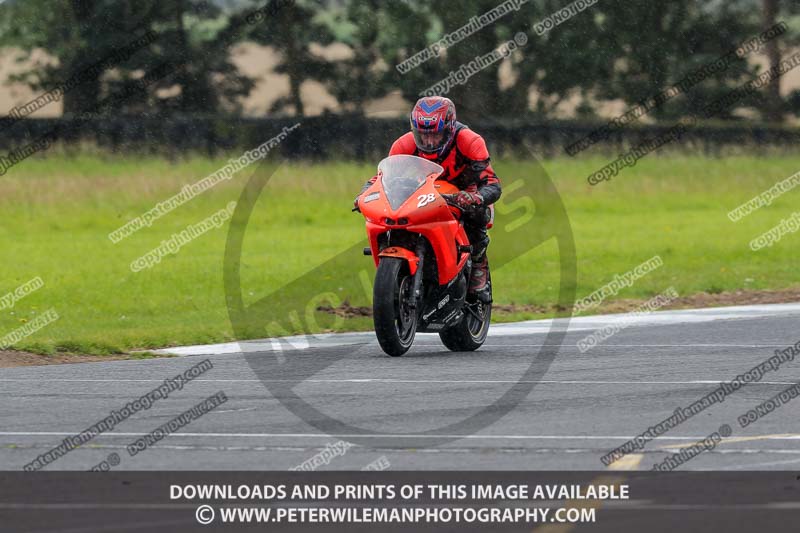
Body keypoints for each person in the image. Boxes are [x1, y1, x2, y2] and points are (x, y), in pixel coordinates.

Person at [354, 96, 501, 302]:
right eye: (422, 135)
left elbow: (492, 184)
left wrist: (474, 196)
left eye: (436, 135)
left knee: (478, 213)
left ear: (449, 129)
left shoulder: (470, 141)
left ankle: (478, 265)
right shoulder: (403, 145)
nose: (429, 142)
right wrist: (364, 194)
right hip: (422, 192)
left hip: (462, 193)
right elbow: (381, 178)